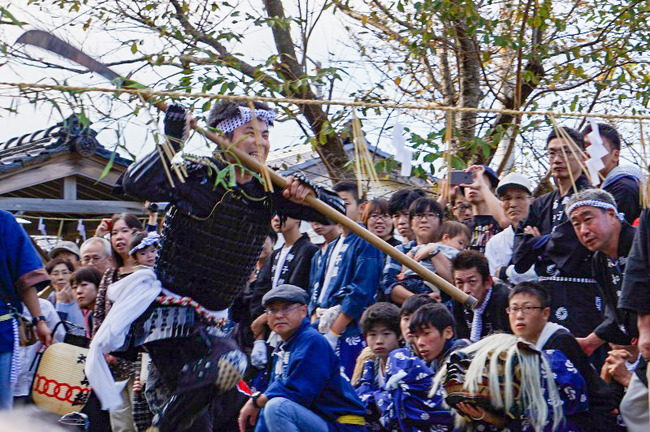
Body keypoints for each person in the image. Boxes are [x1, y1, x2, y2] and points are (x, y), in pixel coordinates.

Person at [98, 101, 345, 432]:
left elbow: (336, 214)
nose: (261, 143)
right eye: (249, 133)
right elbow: (134, 184)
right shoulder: (197, 176)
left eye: (266, 134)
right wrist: (172, 141)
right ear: (221, 138)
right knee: (231, 362)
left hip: (213, 321)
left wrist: (309, 192)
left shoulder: (268, 190)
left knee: (200, 425)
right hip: (169, 314)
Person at [238, 284, 366, 432]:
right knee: (272, 406)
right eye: (272, 310)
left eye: (286, 308)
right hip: (321, 422)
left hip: (343, 425)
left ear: (303, 311)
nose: (279, 315)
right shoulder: (286, 345)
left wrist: (256, 401)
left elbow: (299, 392)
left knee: (277, 407)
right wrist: (259, 401)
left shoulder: (311, 340)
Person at [513, 126, 602, 340]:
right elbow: (519, 257)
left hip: (582, 297)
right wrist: (546, 242)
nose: (557, 159)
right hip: (546, 295)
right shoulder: (541, 203)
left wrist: (537, 242)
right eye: (552, 153)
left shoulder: (591, 198)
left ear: (582, 156)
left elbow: (571, 246)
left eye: (566, 152)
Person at [507, 282, 617, 431]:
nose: (519, 316)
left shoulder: (560, 342)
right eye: (514, 309)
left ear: (545, 313)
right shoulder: (513, 346)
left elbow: (573, 397)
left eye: (527, 308)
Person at [309, 181, 383, 378]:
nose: (339, 209)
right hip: (322, 327)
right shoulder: (331, 245)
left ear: (362, 207)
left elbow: (362, 290)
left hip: (348, 330)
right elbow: (316, 290)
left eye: (345, 203)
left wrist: (334, 332)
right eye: (334, 203)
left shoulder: (367, 240)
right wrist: (314, 322)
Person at [357, 302, 457, 432]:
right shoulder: (369, 365)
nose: (379, 341)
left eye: (426, 333)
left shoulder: (408, 362)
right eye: (416, 336)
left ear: (448, 332)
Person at [565, 190, 638, 356]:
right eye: (576, 224)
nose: (583, 230)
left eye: (588, 219)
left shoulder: (641, 243)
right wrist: (590, 342)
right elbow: (615, 311)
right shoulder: (599, 260)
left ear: (611, 214)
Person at [91, 213, 143, 432]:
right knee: (120, 423)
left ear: (136, 233)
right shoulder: (111, 275)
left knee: (145, 420)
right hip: (114, 362)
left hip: (143, 359)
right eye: (114, 233)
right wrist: (101, 348)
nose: (119, 237)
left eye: (124, 231)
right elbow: (99, 315)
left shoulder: (151, 273)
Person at [0, 209, 52, 410]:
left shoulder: (4, 221)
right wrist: (38, 320)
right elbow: (25, 277)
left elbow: (26, 277)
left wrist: (39, 319)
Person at [380, 197, 449, 306]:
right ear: (411, 223)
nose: (424, 220)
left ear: (442, 222)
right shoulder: (400, 251)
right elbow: (389, 286)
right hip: (409, 314)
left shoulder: (450, 249)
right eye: (418, 215)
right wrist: (423, 300)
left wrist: (433, 252)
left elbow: (455, 284)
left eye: (430, 215)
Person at [581, 123, 642, 224]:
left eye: (596, 147)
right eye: (584, 147)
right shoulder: (583, 187)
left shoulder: (624, 187)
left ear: (615, 155)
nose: (587, 152)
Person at [484, 172, 537, 284]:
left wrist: (506, 272)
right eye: (507, 198)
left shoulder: (540, 233)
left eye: (519, 197)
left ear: (531, 200)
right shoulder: (495, 243)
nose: (513, 204)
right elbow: (492, 280)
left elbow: (542, 272)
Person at [451, 250, 510, 341]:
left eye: (472, 282)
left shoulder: (505, 300)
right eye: (460, 283)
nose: (466, 290)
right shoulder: (457, 301)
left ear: (488, 282)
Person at [459, 165, 506, 254]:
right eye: (468, 181)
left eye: (479, 180)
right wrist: (445, 196)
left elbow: (505, 220)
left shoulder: (502, 223)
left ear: (492, 190)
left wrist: (482, 187)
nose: (472, 186)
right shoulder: (461, 227)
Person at [45, 258, 85, 329]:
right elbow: (57, 331)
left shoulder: (83, 296)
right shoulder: (48, 304)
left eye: (65, 273)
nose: (61, 277)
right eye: (55, 274)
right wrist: (60, 303)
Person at [71, 266, 103, 337]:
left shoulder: (109, 311)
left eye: (84, 285)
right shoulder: (91, 316)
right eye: (74, 287)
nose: (78, 291)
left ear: (98, 286)